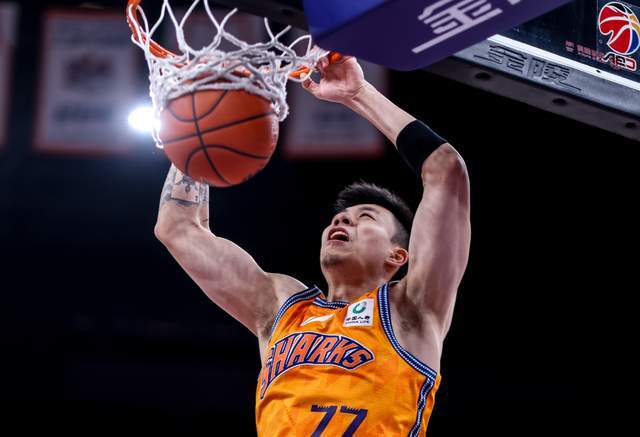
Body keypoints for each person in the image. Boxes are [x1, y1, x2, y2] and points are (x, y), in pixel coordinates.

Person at [154, 56, 471, 436]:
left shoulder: (412, 309)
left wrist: (358, 93)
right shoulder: (282, 305)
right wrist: (197, 135)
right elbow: (178, 228)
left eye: (366, 217)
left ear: (397, 255)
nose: (342, 220)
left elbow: (445, 169)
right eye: (340, 217)